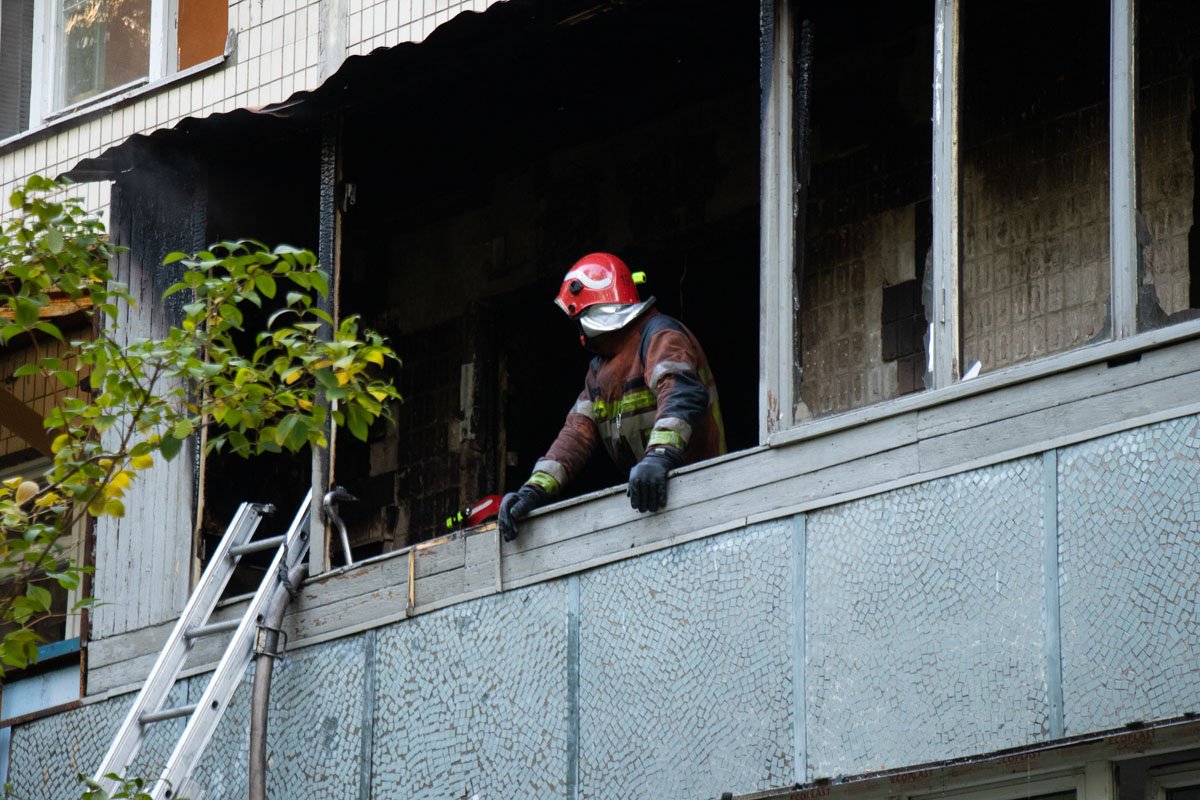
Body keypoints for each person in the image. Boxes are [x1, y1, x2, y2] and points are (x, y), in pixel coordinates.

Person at [498, 252, 726, 541]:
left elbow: (681, 394)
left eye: (578, 319)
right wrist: (533, 491)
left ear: (590, 317)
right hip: (657, 505)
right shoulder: (600, 371)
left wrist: (658, 457)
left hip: (706, 493)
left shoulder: (660, 337)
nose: (578, 331)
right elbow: (576, 434)